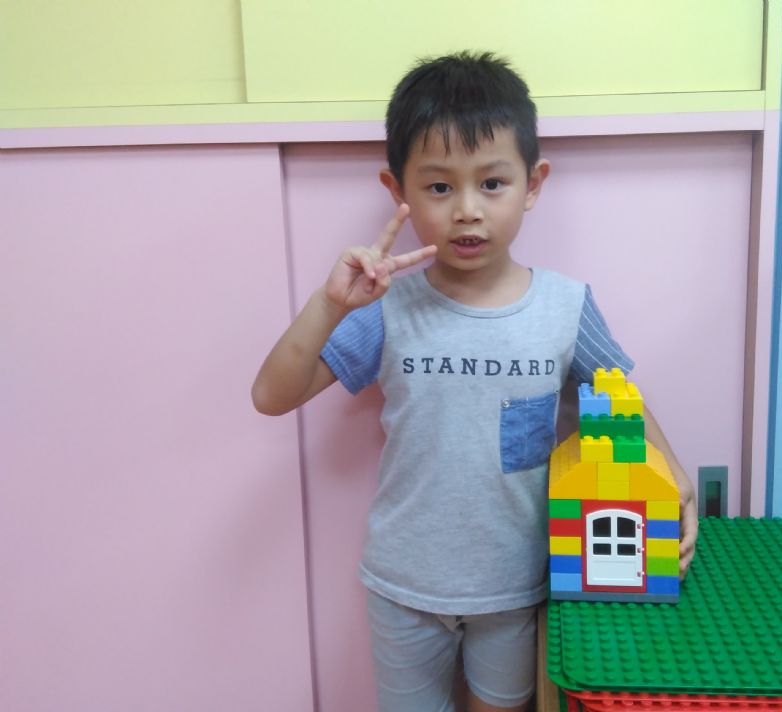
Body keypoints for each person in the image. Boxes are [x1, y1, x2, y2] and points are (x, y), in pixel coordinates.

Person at [252, 51, 698, 712]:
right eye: (439, 188)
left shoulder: (566, 306)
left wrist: (674, 479)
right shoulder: (386, 307)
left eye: (492, 183)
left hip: (518, 584)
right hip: (403, 585)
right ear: (399, 192)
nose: (466, 210)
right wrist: (330, 304)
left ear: (533, 183)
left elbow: (618, 397)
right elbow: (272, 396)